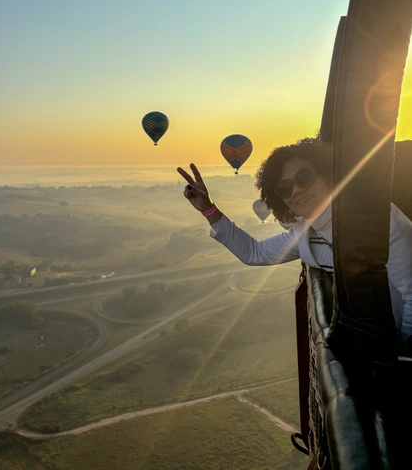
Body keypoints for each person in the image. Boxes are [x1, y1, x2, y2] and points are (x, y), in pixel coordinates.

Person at [177, 137, 412, 354]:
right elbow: (255, 253)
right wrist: (208, 209)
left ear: (327, 174)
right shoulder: (305, 231)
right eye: (284, 188)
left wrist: (400, 356)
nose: (297, 189)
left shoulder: (377, 220)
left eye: (305, 177)